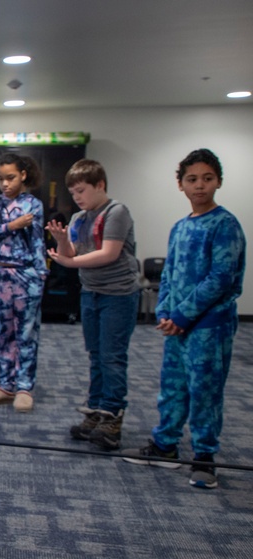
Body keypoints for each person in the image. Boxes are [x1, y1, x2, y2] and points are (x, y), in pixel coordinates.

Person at [122, 149, 246, 489]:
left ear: (218, 181)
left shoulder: (225, 225)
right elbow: (172, 276)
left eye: (207, 178)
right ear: (181, 185)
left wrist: (182, 315)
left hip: (209, 324)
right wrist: (164, 313)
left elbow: (219, 279)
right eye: (192, 179)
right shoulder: (180, 227)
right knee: (173, 387)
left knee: (205, 391)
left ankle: (204, 456)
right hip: (176, 325)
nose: (200, 186)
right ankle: (166, 446)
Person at [46, 159, 140, 450]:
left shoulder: (117, 212)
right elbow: (71, 251)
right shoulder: (78, 218)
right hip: (91, 293)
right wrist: (61, 241)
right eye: (73, 192)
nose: (77, 197)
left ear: (100, 185)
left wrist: (69, 260)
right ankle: (97, 411)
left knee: (112, 356)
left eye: (82, 190)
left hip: (118, 295)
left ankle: (113, 416)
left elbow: (109, 253)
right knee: (96, 354)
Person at [0, 153, 47, 412]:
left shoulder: (33, 204)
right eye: (1, 179)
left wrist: (40, 276)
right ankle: (5, 384)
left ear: (23, 175)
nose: (5, 184)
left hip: (26, 275)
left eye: (11, 178)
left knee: (26, 333)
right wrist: (13, 225)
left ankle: (24, 387)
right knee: (2, 332)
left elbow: (38, 242)